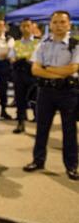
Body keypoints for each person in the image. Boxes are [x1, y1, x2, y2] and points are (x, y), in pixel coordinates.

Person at [23, 10, 79, 181]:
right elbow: (35, 69)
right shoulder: (43, 44)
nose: (59, 25)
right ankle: (38, 160)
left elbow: (72, 69)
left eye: (62, 22)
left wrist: (47, 70)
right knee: (41, 128)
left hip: (68, 92)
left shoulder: (75, 45)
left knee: (69, 130)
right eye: (55, 22)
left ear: (69, 24)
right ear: (50, 25)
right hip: (45, 92)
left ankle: (72, 166)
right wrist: (58, 73)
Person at [9, 18, 39, 133]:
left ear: (32, 27)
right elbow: (11, 57)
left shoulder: (38, 42)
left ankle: (37, 120)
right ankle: (21, 122)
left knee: (35, 99)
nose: (25, 28)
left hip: (32, 73)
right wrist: (16, 60)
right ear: (20, 28)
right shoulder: (16, 43)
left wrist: (25, 59)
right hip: (19, 73)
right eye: (23, 26)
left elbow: (38, 59)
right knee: (20, 98)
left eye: (28, 25)